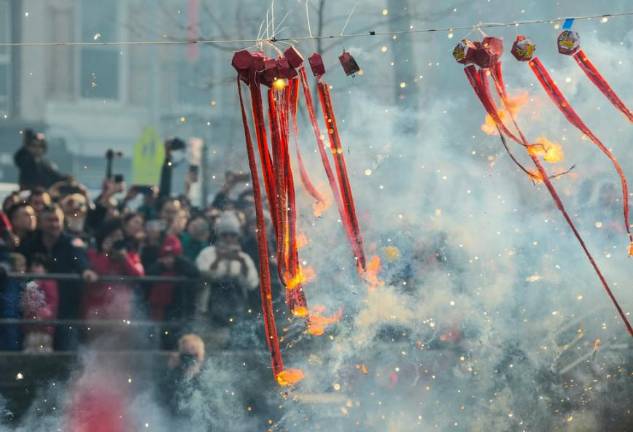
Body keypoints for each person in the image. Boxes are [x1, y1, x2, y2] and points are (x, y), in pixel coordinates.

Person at [18, 205, 97, 350]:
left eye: (57, 220)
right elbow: (20, 261)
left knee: (67, 348)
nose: (54, 224)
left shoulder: (71, 242)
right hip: (39, 310)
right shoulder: (31, 244)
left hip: (66, 307)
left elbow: (80, 258)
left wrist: (86, 270)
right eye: (49, 220)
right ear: (41, 222)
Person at [195, 212, 258, 341]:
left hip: (237, 308)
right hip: (209, 310)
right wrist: (218, 259)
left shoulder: (244, 258)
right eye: (225, 235)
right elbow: (203, 275)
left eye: (232, 235)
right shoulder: (207, 254)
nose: (229, 239)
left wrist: (241, 263)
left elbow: (252, 283)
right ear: (219, 236)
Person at [82, 219, 144, 322]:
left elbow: (138, 276)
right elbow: (98, 275)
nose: (117, 240)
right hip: (96, 311)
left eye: (119, 236)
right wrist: (105, 254)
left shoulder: (131, 256)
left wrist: (125, 259)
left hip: (122, 312)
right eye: (113, 236)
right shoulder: (93, 255)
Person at [146, 235, 199, 349]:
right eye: (166, 257)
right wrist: (160, 264)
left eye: (172, 256)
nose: (169, 260)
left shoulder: (184, 268)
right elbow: (148, 276)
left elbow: (194, 273)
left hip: (181, 312)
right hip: (162, 313)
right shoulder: (158, 269)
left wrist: (179, 261)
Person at [21, 254, 59, 353]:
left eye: (37, 266)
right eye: (33, 266)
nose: (34, 268)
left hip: (45, 327)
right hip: (30, 327)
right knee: (29, 349)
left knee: (44, 349)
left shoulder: (50, 283)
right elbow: (25, 304)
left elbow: (53, 302)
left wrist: (42, 315)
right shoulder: (29, 284)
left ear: (45, 268)